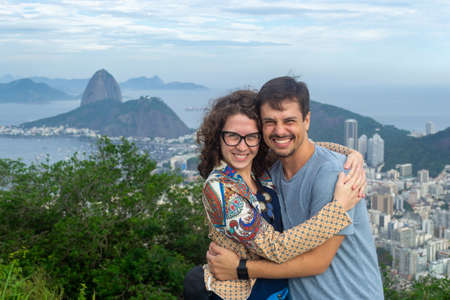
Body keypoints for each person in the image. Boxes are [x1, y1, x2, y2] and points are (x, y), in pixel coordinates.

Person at [207, 77, 384, 299]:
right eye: (270, 122)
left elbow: (317, 262)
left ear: (306, 120)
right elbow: (275, 247)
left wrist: (239, 269)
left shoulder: (334, 176)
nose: (279, 131)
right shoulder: (268, 173)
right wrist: (350, 156)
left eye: (289, 121)